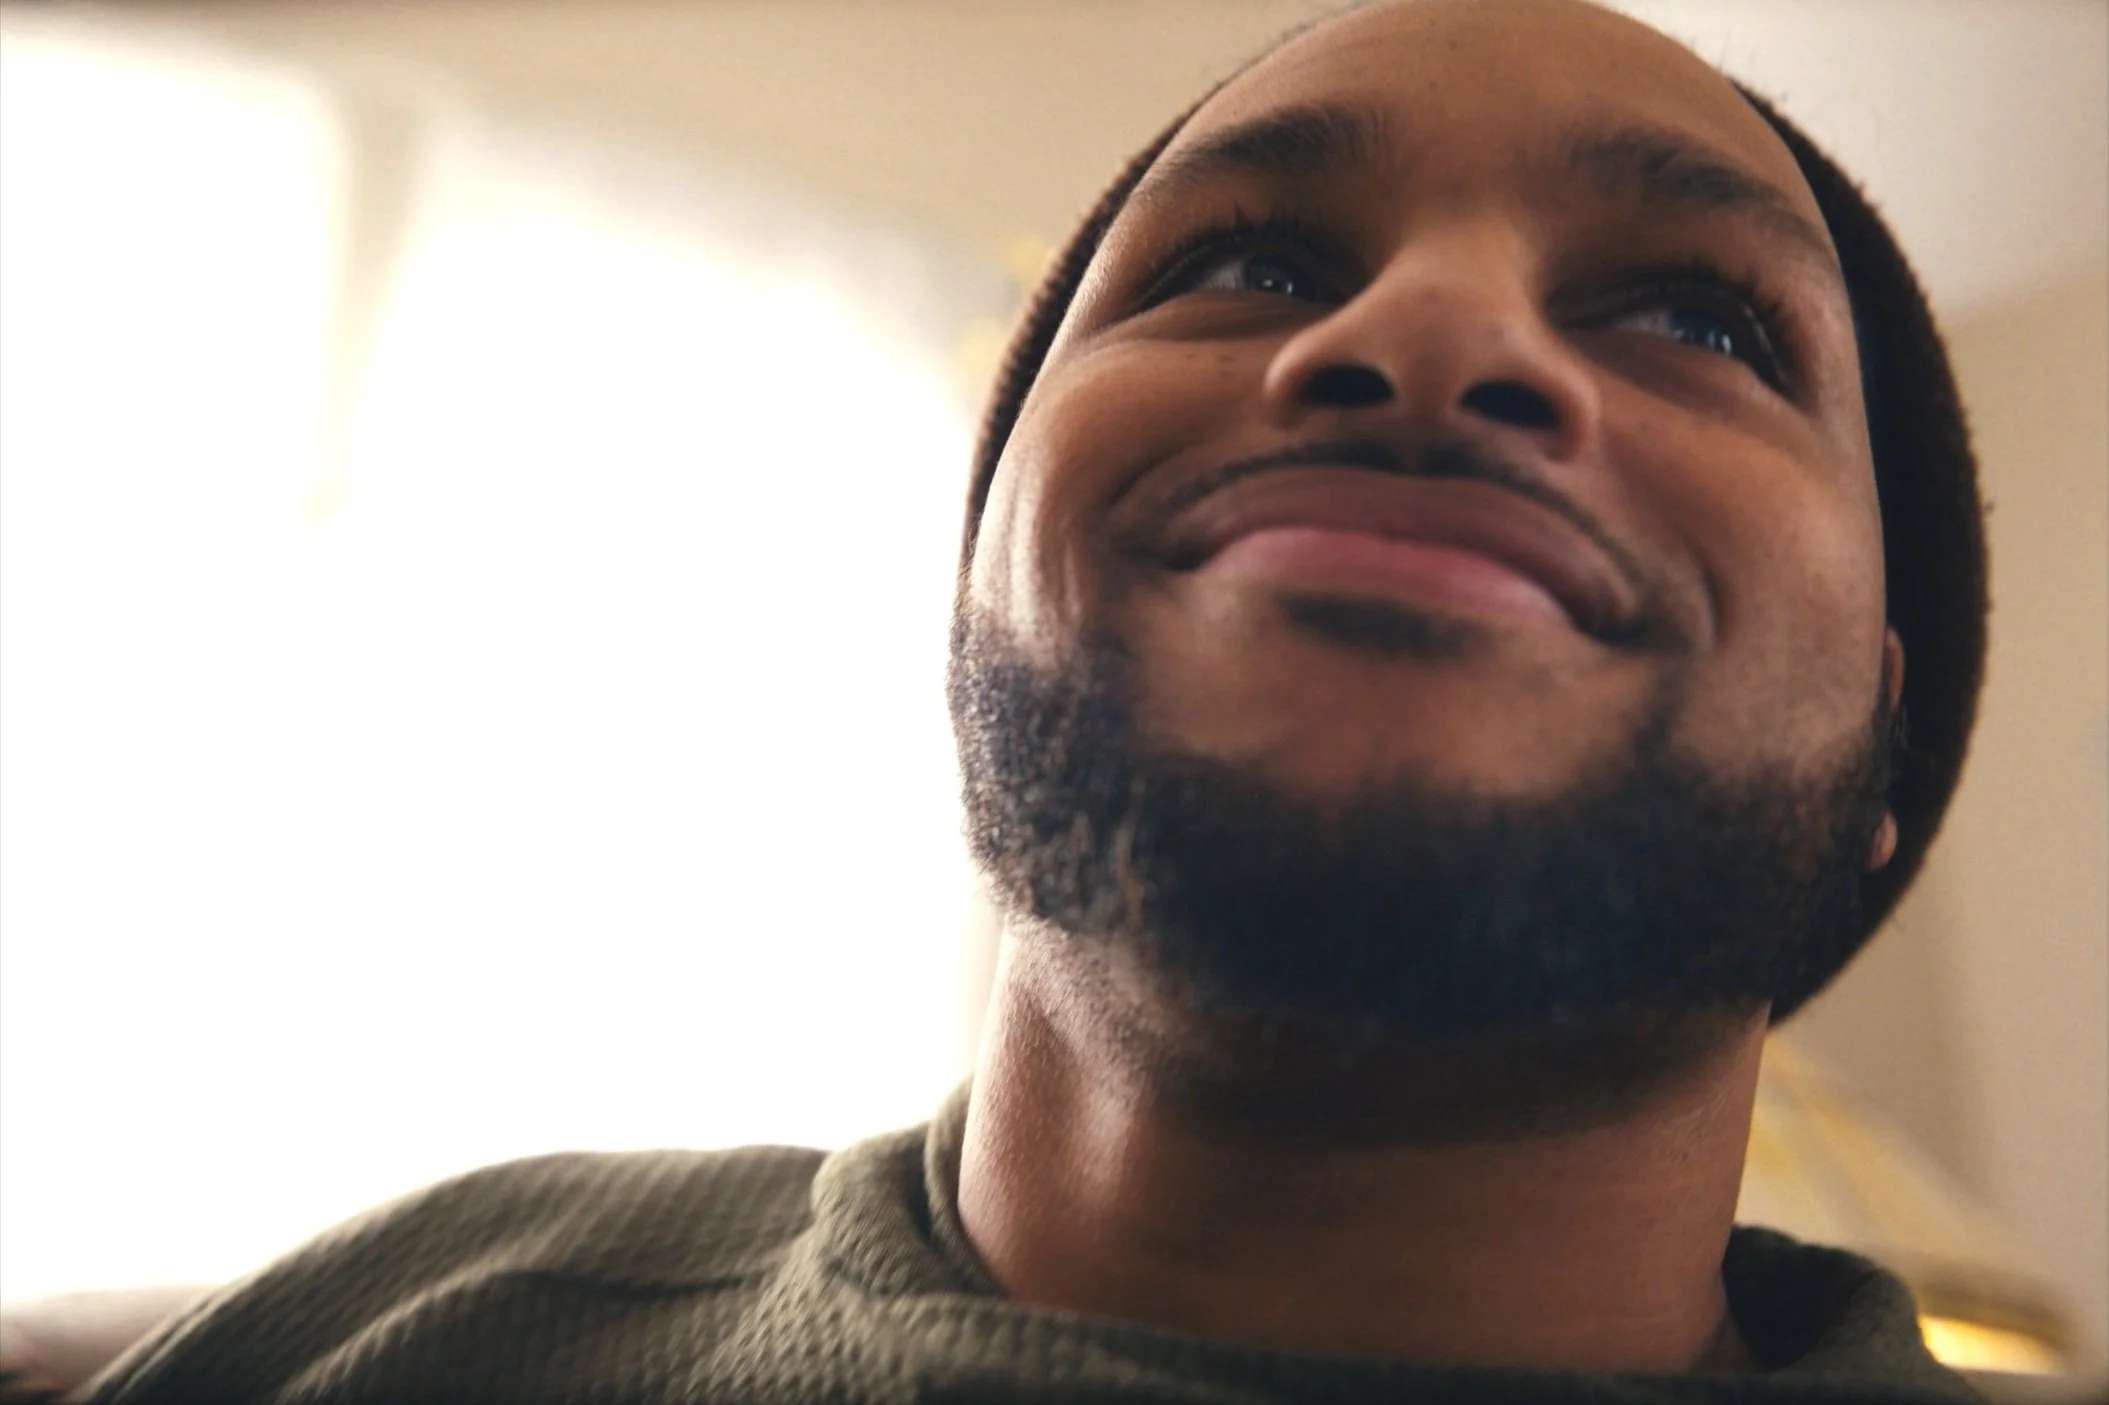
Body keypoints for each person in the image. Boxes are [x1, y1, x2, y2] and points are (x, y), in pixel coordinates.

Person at [10, 0, 1990, 1399]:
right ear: (980, 570)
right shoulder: (395, 1331)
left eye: (1696, 320)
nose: (1432, 326)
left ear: (1886, 747)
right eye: (1253, 261)